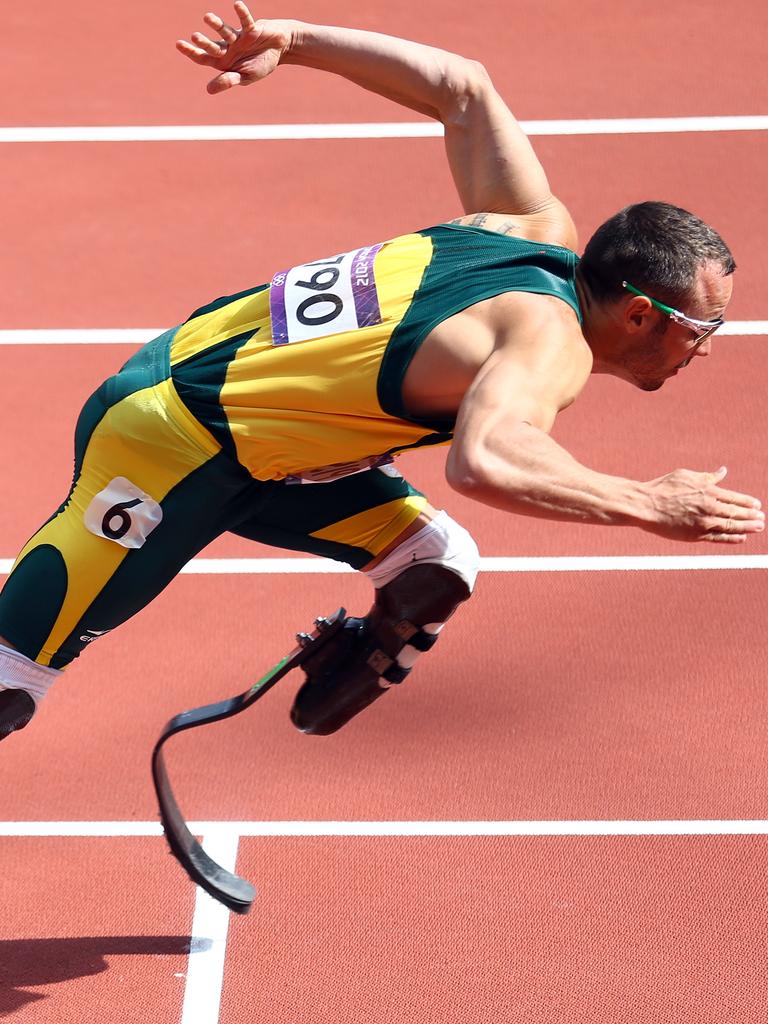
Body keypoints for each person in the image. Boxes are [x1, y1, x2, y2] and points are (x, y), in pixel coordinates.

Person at [0, 4, 763, 742]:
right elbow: (488, 458)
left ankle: (348, 657)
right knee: (10, 683)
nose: (709, 347)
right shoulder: (547, 343)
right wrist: (647, 504)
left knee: (435, 560)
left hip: (243, 421)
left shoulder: (528, 224)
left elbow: (462, 85)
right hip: (168, 447)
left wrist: (294, 38)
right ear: (637, 314)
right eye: (704, 327)